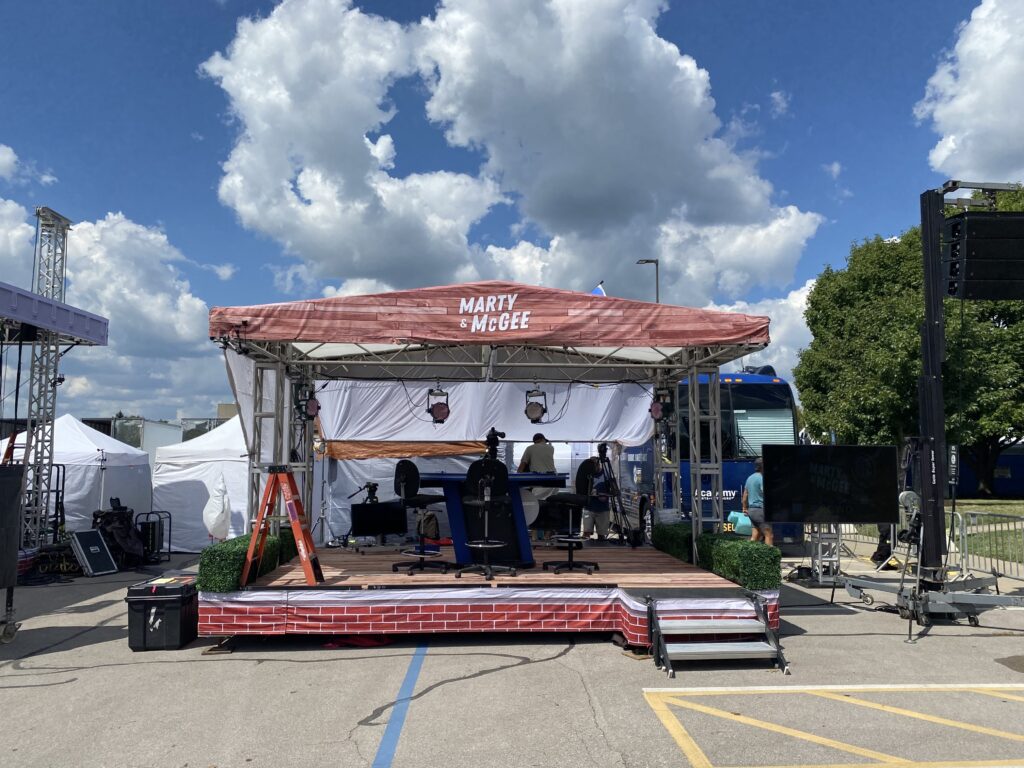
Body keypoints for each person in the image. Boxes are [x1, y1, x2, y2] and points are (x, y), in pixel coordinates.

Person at [519, 434, 557, 541]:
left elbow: (522, 466)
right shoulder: (551, 448)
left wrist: (519, 477)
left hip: (541, 483)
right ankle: (547, 535)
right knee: (550, 508)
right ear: (542, 439)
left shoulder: (530, 448)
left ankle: (534, 537)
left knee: (535, 509)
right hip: (554, 482)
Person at [742, 457, 773, 547]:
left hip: (752, 511)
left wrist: (744, 508)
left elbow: (745, 496)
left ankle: (748, 555)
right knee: (769, 535)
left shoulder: (749, 478)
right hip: (761, 510)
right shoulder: (762, 478)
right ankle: (769, 558)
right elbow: (766, 493)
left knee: (756, 535)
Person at [582, 457, 611, 541]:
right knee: (586, 532)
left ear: (598, 464)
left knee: (602, 534)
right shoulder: (587, 474)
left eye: (594, 465)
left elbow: (613, 490)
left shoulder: (606, 474)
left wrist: (604, 495)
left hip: (602, 508)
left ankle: (601, 549)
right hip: (589, 507)